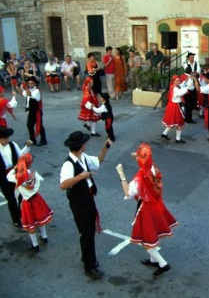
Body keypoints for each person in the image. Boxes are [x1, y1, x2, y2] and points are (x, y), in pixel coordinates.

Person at [115, 143, 178, 276]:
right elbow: (146, 164)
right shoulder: (154, 168)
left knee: (145, 240)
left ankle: (163, 263)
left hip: (146, 209)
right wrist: (138, 157)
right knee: (151, 235)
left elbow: (127, 193)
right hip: (155, 205)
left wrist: (121, 173)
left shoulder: (139, 178)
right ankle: (153, 260)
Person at [59, 131, 112, 279]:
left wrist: (105, 147)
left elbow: (98, 161)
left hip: (88, 199)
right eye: (84, 143)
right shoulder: (68, 165)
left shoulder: (83, 157)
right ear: (81, 146)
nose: (86, 144)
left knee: (89, 232)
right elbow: (63, 185)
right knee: (87, 234)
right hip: (79, 203)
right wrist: (81, 176)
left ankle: (87, 257)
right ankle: (89, 266)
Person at [7, 153, 53, 252]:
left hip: (27, 202)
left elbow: (8, 176)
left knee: (30, 224)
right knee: (40, 219)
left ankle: (35, 245)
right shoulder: (34, 174)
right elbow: (41, 179)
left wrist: (15, 168)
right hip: (37, 199)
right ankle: (44, 237)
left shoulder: (18, 177)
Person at [0, 126, 32, 229]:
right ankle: (16, 220)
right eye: (4, 138)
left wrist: (27, 146)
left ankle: (22, 213)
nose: (7, 140)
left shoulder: (12, 144)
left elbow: (21, 155)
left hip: (15, 174)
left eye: (7, 137)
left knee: (21, 196)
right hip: (3, 177)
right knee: (11, 199)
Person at [161, 75, 188, 143]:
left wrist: (186, 81)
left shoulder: (173, 86)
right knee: (179, 123)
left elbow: (181, 85)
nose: (178, 82)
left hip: (172, 106)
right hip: (176, 106)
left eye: (179, 80)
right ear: (173, 81)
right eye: (177, 80)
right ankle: (178, 139)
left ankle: (164, 134)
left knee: (172, 122)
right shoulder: (175, 88)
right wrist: (188, 87)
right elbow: (180, 92)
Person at [23, 76, 47, 146]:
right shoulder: (30, 90)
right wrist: (19, 87)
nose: (30, 84)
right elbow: (24, 94)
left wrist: (26, 88)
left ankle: (43, 140)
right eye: (29, 83)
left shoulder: (36, 91)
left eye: (32, 83)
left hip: (37, 111)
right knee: (29, 125)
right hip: (31, 111)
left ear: (35, 84)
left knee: (39, 126)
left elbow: (30, 95)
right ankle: (32, 139)